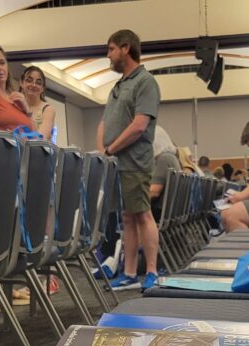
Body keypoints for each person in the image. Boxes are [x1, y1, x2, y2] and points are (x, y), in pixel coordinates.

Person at [99, 29, 161, 291]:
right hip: (117, 163)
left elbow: (139, 125)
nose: (108, 55)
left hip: (134, 161)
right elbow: (104, 123)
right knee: (127, 218)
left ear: (125, 48)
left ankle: (152, 272)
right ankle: (130, 273)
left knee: (143, 214)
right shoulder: (118, 86)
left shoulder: (145, 81)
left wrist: (111, 149)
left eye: (111, 49)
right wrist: (104, 153)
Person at [150, 126, 181, 221]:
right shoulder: (171, 158)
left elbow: (154, 192)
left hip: (161, 212)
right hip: (172, 211)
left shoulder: (164, 159)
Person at [19, 65, 56, 141]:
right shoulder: (15, 106)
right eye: (29, 80)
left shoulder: (48, 110)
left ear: (42, 88)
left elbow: (41, 138)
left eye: (38, 83)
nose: (33, 85)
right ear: (22, 83)